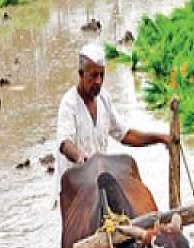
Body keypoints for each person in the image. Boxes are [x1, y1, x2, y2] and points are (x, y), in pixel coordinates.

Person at [53, 43, 172, 199]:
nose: (99, 81)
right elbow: (64, 142)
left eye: (102, 75)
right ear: (81, 74)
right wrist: (80, 158)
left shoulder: (104, 99)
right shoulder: (69, 103)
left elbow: (125, 134)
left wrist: (161, 138)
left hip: (99, 178)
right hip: (76, 184)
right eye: (93, 76)